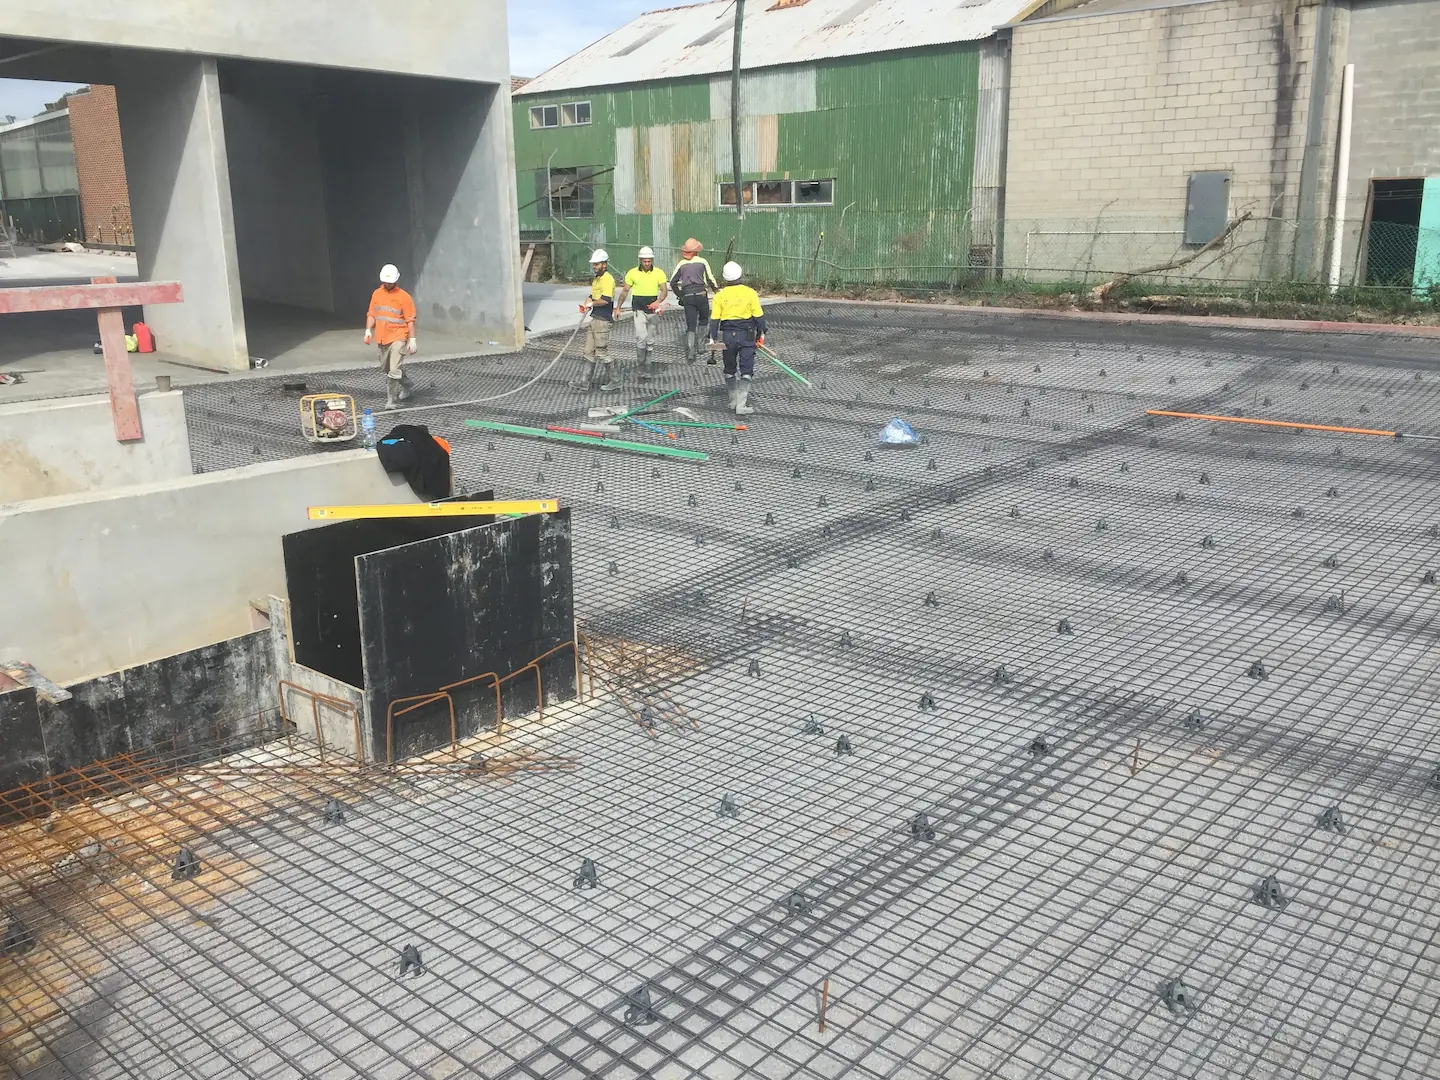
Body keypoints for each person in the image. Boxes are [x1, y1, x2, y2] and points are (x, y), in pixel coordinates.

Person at [709, 260, 766, 416]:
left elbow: (714, 320)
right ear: (740, 274)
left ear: (725, 278)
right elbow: (758, 316)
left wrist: (712, 338)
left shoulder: (720, 296)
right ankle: (741, 405)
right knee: (746, 369)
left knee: (730, 368)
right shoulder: (750, 293)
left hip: (728, 336)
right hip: (746, 334)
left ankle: (733, 400)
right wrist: (762, 333)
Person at [364, 263, 417, 409]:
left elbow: (410, 320)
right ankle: (407, 383)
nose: (387, 284)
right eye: (385, 281)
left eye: (390, 281)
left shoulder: (404, 297)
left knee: (393, 371)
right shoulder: (377, 294)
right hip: (382, 337)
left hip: (399, 336)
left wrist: (412, 340)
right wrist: (368, 330)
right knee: (386, 368)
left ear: (396, 280)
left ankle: (391, 401)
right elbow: (372, 314)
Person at [616, 246, 669, 383]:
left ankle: (648, 367)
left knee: (650, 340)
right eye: (644, 261)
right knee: (641, 338)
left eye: (649, 261)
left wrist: (658, 302)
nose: (647, 264)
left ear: (652, 260)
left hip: (653, 311)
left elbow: (664, 290)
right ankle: (640, 367)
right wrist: (618, 308)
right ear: (640, 260)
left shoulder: (659, 273)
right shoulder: (632, 273)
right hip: (638, 310)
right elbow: (625, 291)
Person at [571, 249, 619, 392]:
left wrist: (591, 304)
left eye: (597, 264)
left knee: (601, 352)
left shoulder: (608, 279)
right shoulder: (597, 279)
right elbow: (592, 296)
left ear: (604, 264)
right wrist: (586, 303)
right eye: (594, 264)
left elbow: (605, 300)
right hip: (594, 318)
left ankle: (616, 380)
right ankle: (584, 382)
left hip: (603, 320)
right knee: (588, 351)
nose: (594, 267)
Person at [669, 238, 718, 363]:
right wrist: (717, 291)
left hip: (688, 296)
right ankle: (701, 347)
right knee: (703, 320)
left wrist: (680, 295)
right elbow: (711, 279)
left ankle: (691, 351)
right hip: (701, 294)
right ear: (696, 251)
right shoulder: (703, 262)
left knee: (691, 324)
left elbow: (673, 282)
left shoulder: (681, 264)